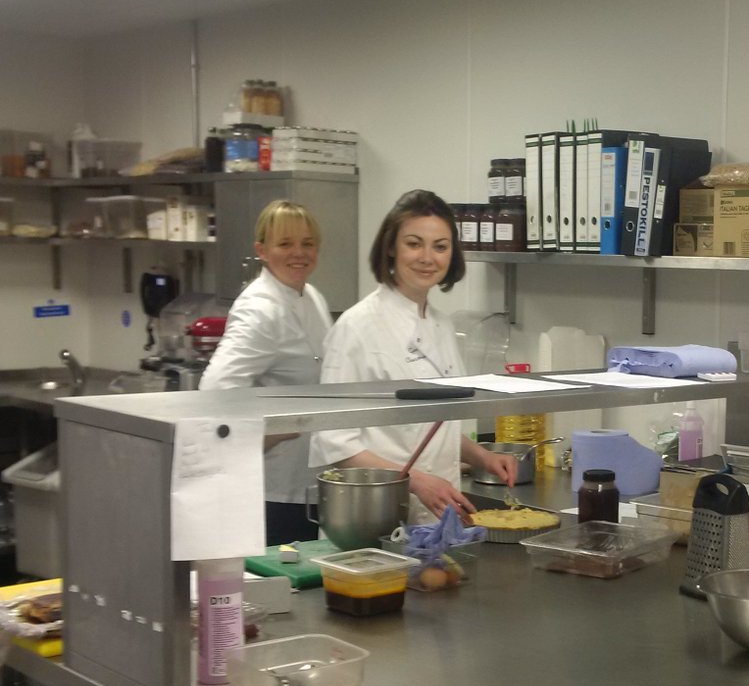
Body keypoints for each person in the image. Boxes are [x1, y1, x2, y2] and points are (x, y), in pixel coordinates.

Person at [309, 189, 516, 523]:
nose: (427, 257)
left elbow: (435, 424)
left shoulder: (443, 326)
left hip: (438, 515)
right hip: (373, 515)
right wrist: (415, 481)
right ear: (391, 246)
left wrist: (482, 457)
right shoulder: (357, 327)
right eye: (414, 243)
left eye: (440, 246)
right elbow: (334, 443)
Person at [200, 199, 332, 545]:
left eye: (307, 243)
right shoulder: (259, 309)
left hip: (310, 483)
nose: (299, 253)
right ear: (262, 250)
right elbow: (214, 391)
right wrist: (270, 433)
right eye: (285, 243)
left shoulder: (311, 296)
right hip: (272, 490)